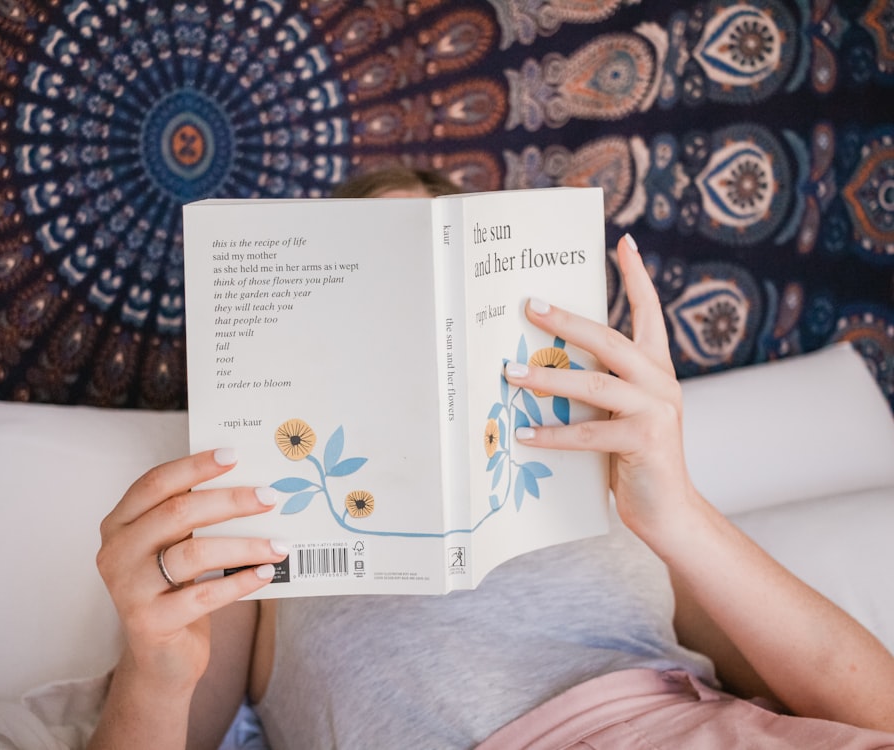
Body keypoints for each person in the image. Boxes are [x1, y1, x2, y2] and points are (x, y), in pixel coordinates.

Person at [89, 168, 894, 750]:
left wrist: (674, 510)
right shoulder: (259, 524)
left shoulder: (605, 491)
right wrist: (157, 665)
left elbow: (875, 709)